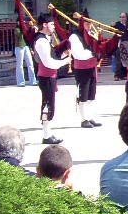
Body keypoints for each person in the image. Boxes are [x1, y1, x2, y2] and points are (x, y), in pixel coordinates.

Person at [69, 12, 116, 129]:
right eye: (87, 23)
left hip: (92, 67)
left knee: (91, 95)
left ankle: (89, 117)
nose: (90, 25)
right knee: (83, 95)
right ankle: (83, 119)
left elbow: (100, 44)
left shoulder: (91, 34)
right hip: (82, 69)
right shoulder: (74, 36)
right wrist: (94, 52)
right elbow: (78, 54)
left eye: (90, 23)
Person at [32, 13, 72, 145]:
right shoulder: (41, 41)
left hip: (49, 76)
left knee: (49, 105)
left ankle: (47, 133)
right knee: (47, 105)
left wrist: (62, 53)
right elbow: (49, 62)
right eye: (52, 24)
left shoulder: (45, 39)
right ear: (44, 25)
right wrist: (65, 61)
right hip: (46, 77)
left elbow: (52, 57)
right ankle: (46, 135)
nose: (54, 26)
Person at [14, 18, 38, 87]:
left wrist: (31, 28)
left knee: (30, 64)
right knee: (20, 65)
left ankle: (33, 81)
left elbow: (29, 38)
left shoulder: (26, 29)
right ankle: (20, 82)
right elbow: (20, 35)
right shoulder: (17, 29)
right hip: (19, 47)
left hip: (26, 47)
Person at [110, 12, 128, 79]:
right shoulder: (117, 24)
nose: (121, 18)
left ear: (126, 18)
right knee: (118, 60)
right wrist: (112, 26)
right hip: (119, 44)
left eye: (123, 17)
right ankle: (117, 75)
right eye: (120, 17)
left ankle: (124, 75)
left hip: (127, 44)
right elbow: (110, 30)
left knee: (126, 60)